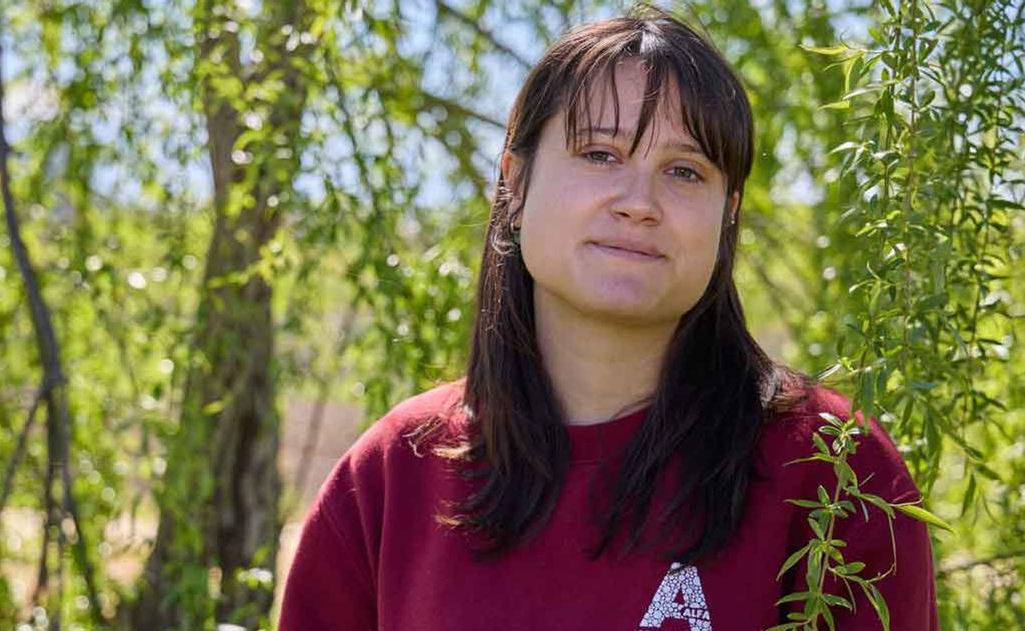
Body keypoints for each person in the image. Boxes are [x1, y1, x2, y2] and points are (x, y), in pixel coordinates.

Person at [279, 6, 938, 630]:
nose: (638, 202)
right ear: (513, 183)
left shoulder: (833, 474)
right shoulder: (392, 476)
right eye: (600, 154)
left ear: (728, 211)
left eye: (684, 170)